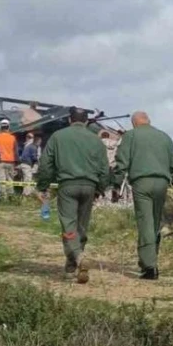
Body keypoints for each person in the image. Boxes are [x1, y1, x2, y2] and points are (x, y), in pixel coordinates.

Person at [36, 107, 110, 284]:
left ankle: (77, 256)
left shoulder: (58, 136)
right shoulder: (96, 140)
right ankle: (71, 267)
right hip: (90, 186)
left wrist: (42, 186)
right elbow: (104, 169)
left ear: (70, 120)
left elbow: (46, 163)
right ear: (86, 121)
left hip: (68, 186)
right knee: (81, 227)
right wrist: (100, 188)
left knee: (69, 226)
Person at [112, 111, 173, 280]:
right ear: (148, 121)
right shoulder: (164, 136)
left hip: (142, 182)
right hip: (162, 182)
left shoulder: (131, 136)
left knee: (145, 222)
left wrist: (115, 184)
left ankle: (149, 266)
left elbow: (122, 163)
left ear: (134, 123)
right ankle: (152, 259)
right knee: (155, 222)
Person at [0, 119, 20, 197]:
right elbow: (16, 151)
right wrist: (17, 163)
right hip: (11, 162)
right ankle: (11, 196)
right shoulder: (13, 138)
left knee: (1, 180)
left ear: (0, 127)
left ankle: (3, 196)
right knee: (10, 180)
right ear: (8, 127)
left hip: (0, 162)